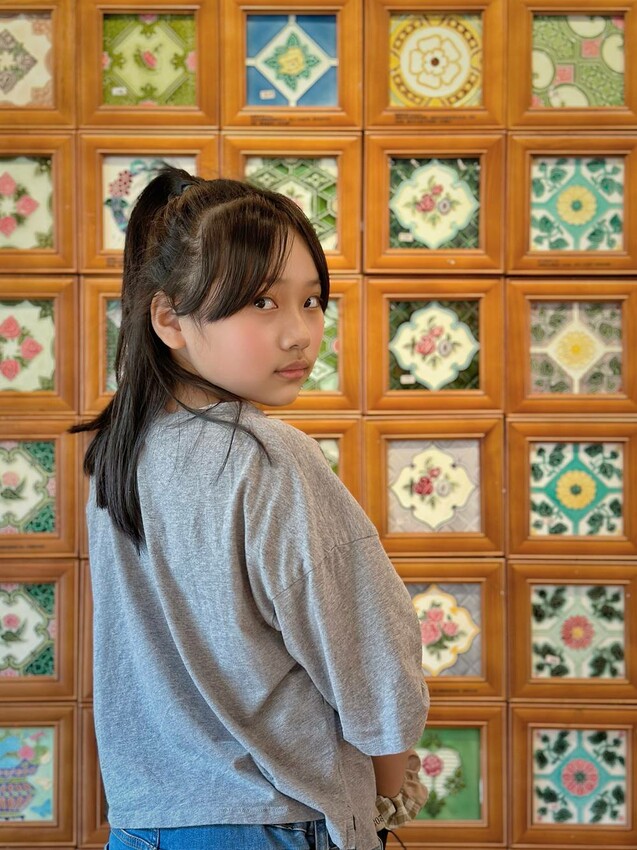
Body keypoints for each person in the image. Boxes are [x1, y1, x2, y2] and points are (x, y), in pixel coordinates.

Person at [73, 166, 429, 850]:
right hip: (276, 817)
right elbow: (374, 664)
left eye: (311, 301)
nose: (299, 334)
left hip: (145, 824)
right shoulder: (269, 457)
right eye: (262, 302)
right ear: (169, 318)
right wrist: (388, 798)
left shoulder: (119, 457)